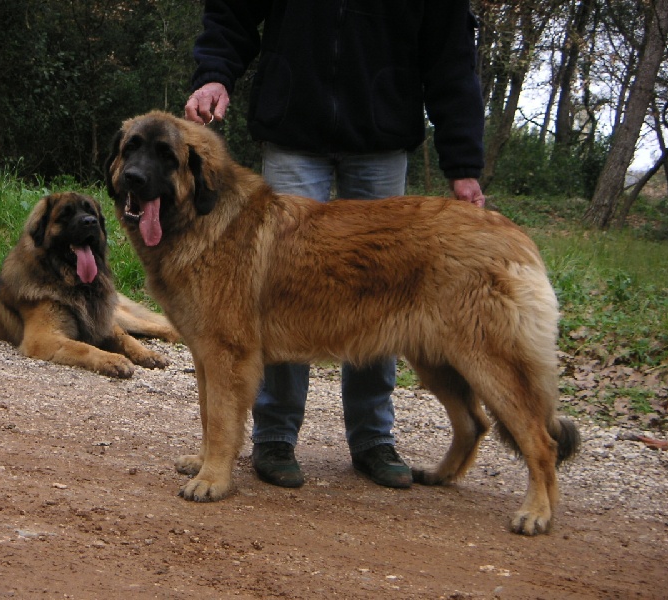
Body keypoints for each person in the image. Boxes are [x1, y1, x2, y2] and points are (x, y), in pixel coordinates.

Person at [184, 0, 485, 490]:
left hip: (382, 135)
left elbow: (450, 52)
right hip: (293, 130)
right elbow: (231, 11)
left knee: (385, 295)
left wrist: (463, 163)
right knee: (277, 288)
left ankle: (372, 439)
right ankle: (275, 436)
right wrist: (215, 73)